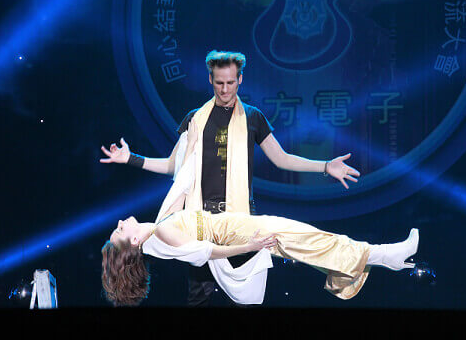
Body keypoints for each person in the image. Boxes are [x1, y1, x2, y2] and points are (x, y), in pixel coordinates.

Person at [100, 50, 361, 306]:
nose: (225, 89)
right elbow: (173, 165)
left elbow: (281, 158)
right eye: (219, 83)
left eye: (230, 82)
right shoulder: (195, 119)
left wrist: (325, 166)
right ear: (210, 80)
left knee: (252, 289)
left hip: (238, 218)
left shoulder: (253, 117)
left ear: (240, 80)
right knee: (199, 297)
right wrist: (131, 158)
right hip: (198, 224)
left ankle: (346, 267)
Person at [100, 141, 419, 307]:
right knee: (305, 238)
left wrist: (140, 157)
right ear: (134, 242)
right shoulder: (162, 233)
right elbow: (206, 252)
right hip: (238, 232)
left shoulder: (158, 226)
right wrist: (250, 245)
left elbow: (182, 183)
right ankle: (382, 255)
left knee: (305, 244)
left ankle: (370, 264)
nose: (120, 221)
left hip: (236, 224)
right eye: (120, 230)